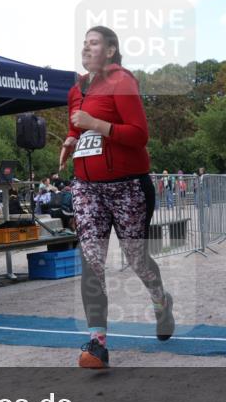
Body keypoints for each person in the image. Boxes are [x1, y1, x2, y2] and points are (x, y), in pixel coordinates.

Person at [58, 26, 173, 368]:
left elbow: (139, 136)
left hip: (127, 186)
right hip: (87, 186)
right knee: (91, 259)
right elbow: (76, 127)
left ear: (110, 51)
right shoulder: (76, 90)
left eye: (93, 43)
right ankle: (97, 343)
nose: (86, 48)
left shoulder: (122, 82)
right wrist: (70, 139)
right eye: (84, 43)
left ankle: (161, 301)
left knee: (136, 259)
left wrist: (95, 123)